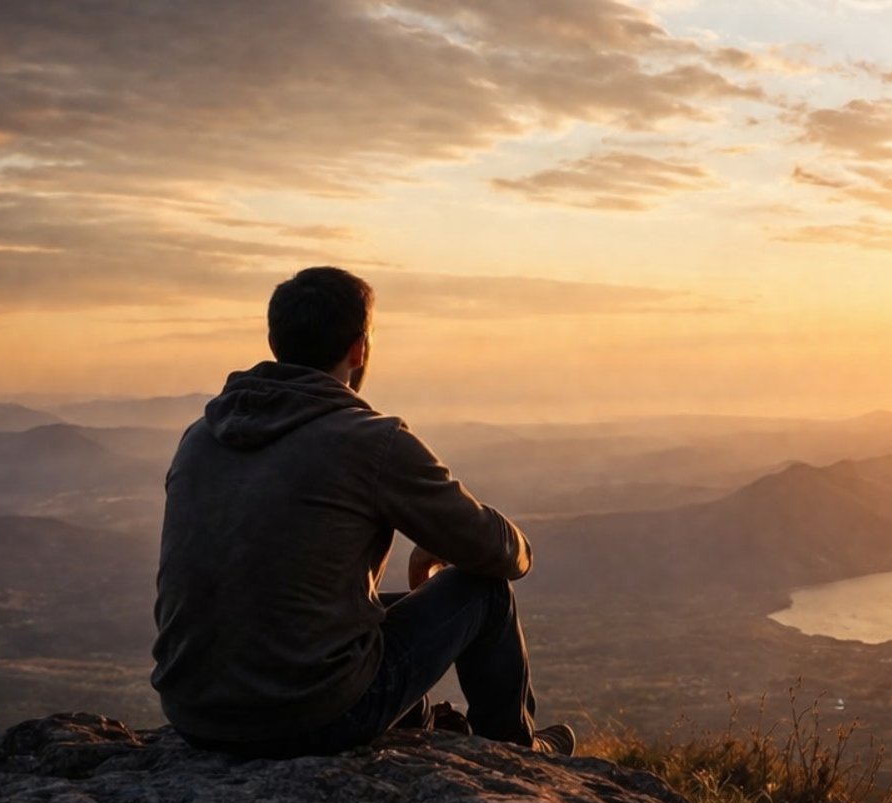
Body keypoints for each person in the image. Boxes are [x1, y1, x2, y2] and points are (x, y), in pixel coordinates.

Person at [151, 266, 574, 758]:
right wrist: (458, 543)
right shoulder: (371, 440)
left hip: (194, 716)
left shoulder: (200, 436)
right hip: (309, 718)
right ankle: (515, 753)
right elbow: (499, 554)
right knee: (482, 592)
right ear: (359, 349)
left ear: (276, 339)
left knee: (373, 608)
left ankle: (420, 722)